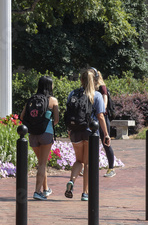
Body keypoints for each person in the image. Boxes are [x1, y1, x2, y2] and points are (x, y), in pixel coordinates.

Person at [65, 69, 111, 201]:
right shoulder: (96, 95)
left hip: (75, 131)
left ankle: (72, 181)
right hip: (90, 132)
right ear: (94, 81)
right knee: (89, 163)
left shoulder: (72, 93)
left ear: (81, 80)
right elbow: (100, 116)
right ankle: (85, 193)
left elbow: (69, 112)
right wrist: (106, 134)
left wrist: (69, 130)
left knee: (79, 161)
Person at [20, 76, 59, 201]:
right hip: (46, 133)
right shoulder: (52, 100)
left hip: (32, 134)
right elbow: (57, 120)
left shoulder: (31, 99)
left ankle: (46, 189)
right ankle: (37, 192)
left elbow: (22, 117)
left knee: (41, 163)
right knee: (42, 163)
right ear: (49, 86)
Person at [92, 68, 116, 178]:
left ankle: (111, 168)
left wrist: (97, 109)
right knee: (91, 143)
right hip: (94, 119)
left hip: (102, 118)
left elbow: (104, 104)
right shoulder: (90, 88)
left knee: (105, 142)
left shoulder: (102, 88)